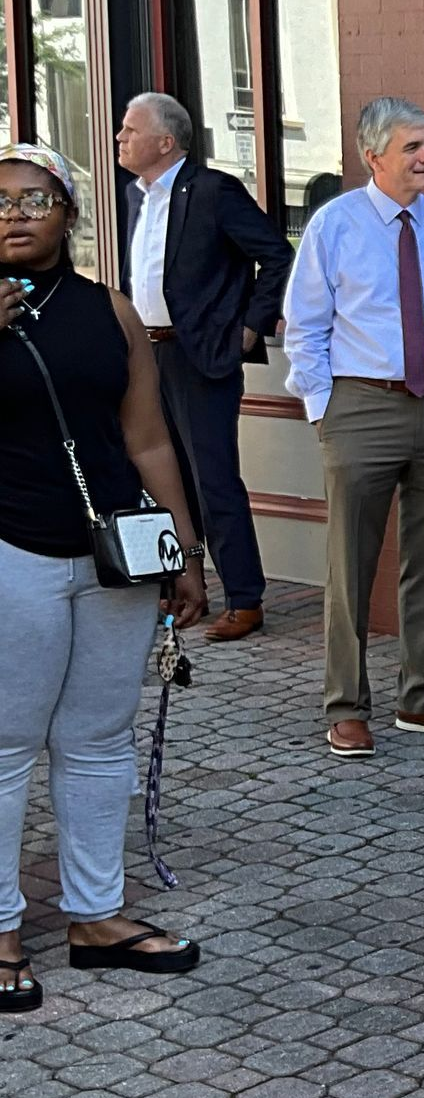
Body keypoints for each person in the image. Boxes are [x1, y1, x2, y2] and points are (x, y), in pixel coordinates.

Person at [0, 145, 208, 1012]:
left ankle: (95, 916)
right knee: (5, 745)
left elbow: (148, 436)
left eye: (34, 198)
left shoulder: (110, 311)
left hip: (115, 554)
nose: (14, 212)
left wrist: (186, 553)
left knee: (97, 738)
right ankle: (1, 929)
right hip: (13, 549)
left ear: (69, 213)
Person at [282, 99, 424, 760]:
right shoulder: (334, 226)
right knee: (352, 561)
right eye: (412, 147)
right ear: (373, 156)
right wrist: (325, 410)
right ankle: (345, 705)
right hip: (361, 408)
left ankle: (421, 698)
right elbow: (305, 326)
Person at [116, 91, 292, 644]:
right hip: (145, 353)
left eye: (129, 129)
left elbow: (277, 254)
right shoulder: (132, 196)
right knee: (162, 478)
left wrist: (248, 326)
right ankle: (183, 583)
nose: (120, 138)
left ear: (165, 142)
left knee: (212, 478)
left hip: (201, 356)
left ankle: (246, 597)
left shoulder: (212, 190)